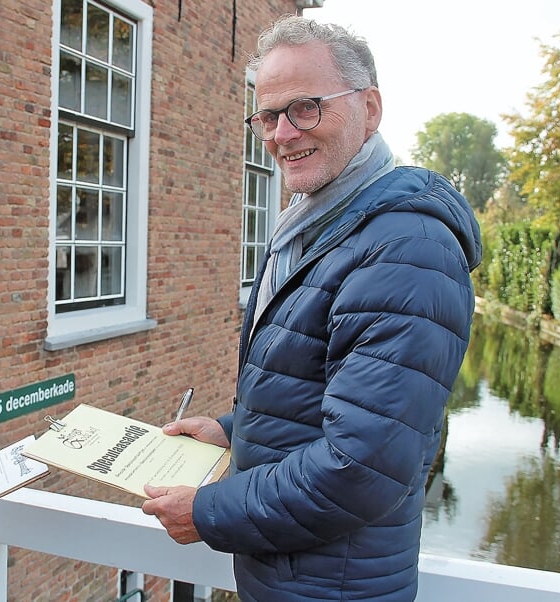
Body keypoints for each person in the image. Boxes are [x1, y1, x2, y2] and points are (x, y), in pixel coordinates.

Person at [141, 15, 481, 601]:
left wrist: (210, 511)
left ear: (369, 108)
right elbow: (323, 393)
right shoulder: (319, 224)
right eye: (268, 116)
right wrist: (232, 431)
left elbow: (362, 467)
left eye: (306, 108)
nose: (282, 134)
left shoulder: (407, 252)